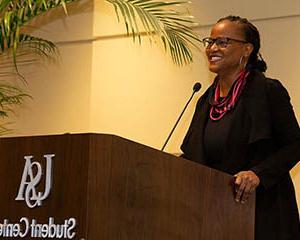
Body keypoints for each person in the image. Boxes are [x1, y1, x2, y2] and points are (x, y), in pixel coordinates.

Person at [180, 15, 300, 240]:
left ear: (247, 49)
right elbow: (193, 156)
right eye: (210, 41)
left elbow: (295, 145)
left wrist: (258, 174)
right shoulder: (206, 99)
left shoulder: (267, 91)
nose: (212, 48)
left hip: (263, 215)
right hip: (216, 217)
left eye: (223, 42)